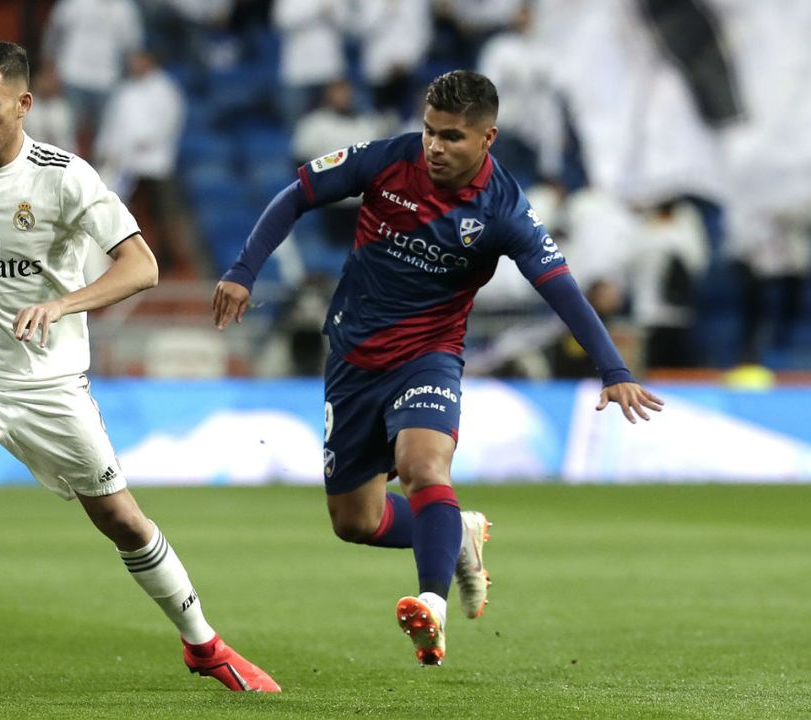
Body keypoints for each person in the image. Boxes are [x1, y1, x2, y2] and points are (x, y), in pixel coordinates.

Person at [0, 41, 279, 696]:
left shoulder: (66, 178)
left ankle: (204, 644)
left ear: (23, 104)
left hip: (48, 382)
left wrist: (64, 303)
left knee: (120, 520)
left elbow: (141, 265)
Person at [212, 70, 664, 667]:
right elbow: (296, 194)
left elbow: (560, 288)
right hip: (352, 356)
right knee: (354, 521)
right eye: (429, 131)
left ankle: (433, 604)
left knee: (422, 467)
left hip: (429, 354)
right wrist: (244, 271)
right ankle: (457, 535)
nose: (434, 146)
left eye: (451, 136)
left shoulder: (503, 209)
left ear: (487, 138)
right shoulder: (386, 160)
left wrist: (612, 368)